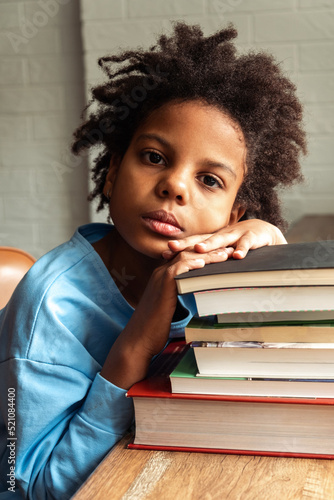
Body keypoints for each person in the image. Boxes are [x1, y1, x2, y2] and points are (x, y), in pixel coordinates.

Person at [0, 22, 306, 500]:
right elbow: (27, 488)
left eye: (210, 181)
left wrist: (266, 274)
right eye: (154, 156)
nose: (176, 186)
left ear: (234, 215)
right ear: (112, 173)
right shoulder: (51, 307)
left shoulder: (210, 274)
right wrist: (133, 349)